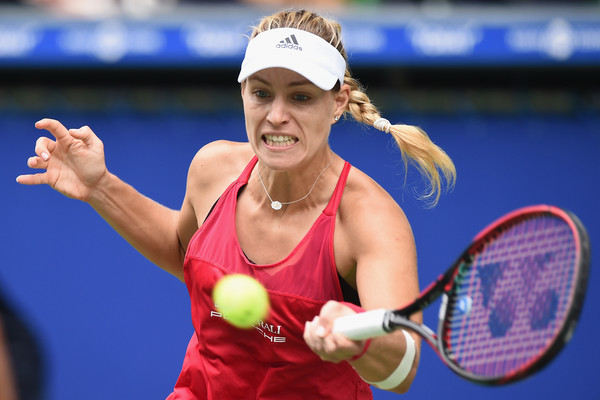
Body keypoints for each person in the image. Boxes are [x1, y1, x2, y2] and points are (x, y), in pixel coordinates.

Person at [16, 9, 455, 399]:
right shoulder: (214, 168)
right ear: (243, 91)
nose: (277, 115)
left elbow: (402, 369)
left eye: (300, 97)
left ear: (337, 102)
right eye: (262, 93)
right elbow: (183, 250)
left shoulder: (368, 219)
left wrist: (357, 339)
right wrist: (101, 187)